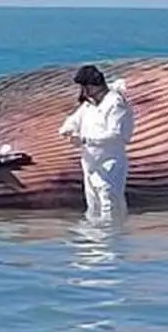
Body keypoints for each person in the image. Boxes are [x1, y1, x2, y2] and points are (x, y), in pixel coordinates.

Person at [58, 64, 135, 222]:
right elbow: (74, 119)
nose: (82, 92)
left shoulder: (115, 103)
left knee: (109, 202)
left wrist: (85, 140)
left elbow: (116, 134)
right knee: (93, 204)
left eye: (84, 87)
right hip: (90, 162)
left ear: (93, 86)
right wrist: (67, 128)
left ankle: (111, 240)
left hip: (109, 162)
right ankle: (94, 241)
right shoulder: (90, 105)